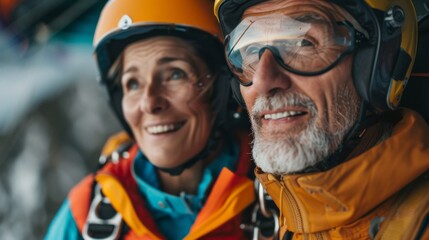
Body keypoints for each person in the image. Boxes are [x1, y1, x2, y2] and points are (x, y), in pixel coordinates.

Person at [214, 0, 429, 239]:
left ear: (380, 65)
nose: (263, 82)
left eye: (303, 43)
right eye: (251, 50)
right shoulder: (288, 223)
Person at [45, 0, 258, 239]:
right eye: (133, 84)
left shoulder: (285, 195)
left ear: (221, 87)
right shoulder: (82, 216)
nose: (148, 103)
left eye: (175, 74)